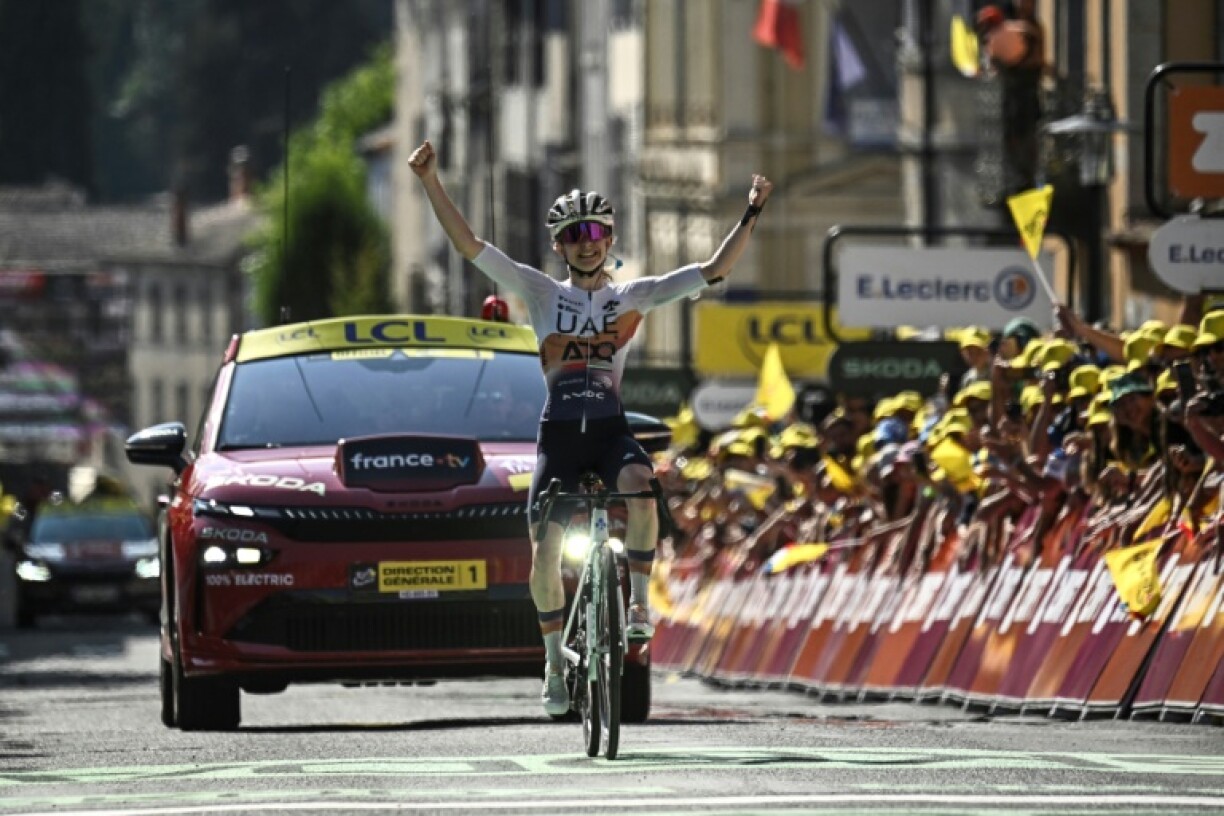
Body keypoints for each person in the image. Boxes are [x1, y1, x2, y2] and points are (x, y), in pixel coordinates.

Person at [408, 138, 773, 716]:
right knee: (544, 550)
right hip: (558, 434)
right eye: (574, 237)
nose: (585, 245)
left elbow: (714, 270)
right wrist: (430, 181)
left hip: (608, 430)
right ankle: (554, 660)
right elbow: (471, 246)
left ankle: (637, 608)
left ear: (610, 241)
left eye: (595, 234)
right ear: (559, 246)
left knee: (644, 489)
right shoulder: (540, 291)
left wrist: (751, 211)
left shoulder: (635, 297)